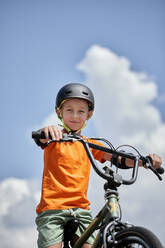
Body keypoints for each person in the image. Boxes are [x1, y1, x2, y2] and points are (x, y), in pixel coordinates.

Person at [34, 83, 162, 248]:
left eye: (81, 111)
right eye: (69, 110)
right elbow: (41, 138)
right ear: (59, 113)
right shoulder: (53, 139)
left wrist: (144, 161)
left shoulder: (90, 144)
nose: (75, 116)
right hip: (52, 209)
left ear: (89, 114)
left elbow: (117, 158)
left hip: (81, 210)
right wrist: (47, 131)